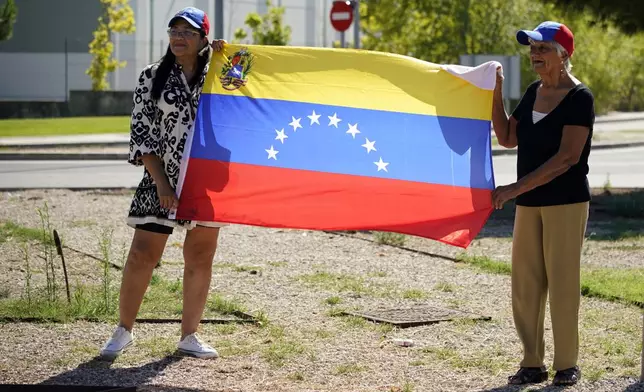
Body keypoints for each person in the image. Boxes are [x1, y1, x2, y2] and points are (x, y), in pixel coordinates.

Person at [99, 7, 227, 360]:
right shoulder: (150, 76)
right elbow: (142, 135)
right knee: (142, 254)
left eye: (187, 32)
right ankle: (123, 330)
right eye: (174, 30)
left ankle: (190, 336)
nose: (178, 37)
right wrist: (162, 185)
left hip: (206, 181)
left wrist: (229, 55)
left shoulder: (219, 76)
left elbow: (251, 89)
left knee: (200, 256)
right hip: (160, 179)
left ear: (203, 38)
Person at [490, 21, 594, 386]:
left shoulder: (580, 98)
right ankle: (531, 362)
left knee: (563, 282)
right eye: (532, 48)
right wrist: (495, 91)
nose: (535, 54)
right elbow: (506, 137)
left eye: (542, 48)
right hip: (529, 203)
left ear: (563, 55)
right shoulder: (534, 92)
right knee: (525, 283)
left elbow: (567, 158)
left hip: (565, 202)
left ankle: (567, 365)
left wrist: (514, 188)